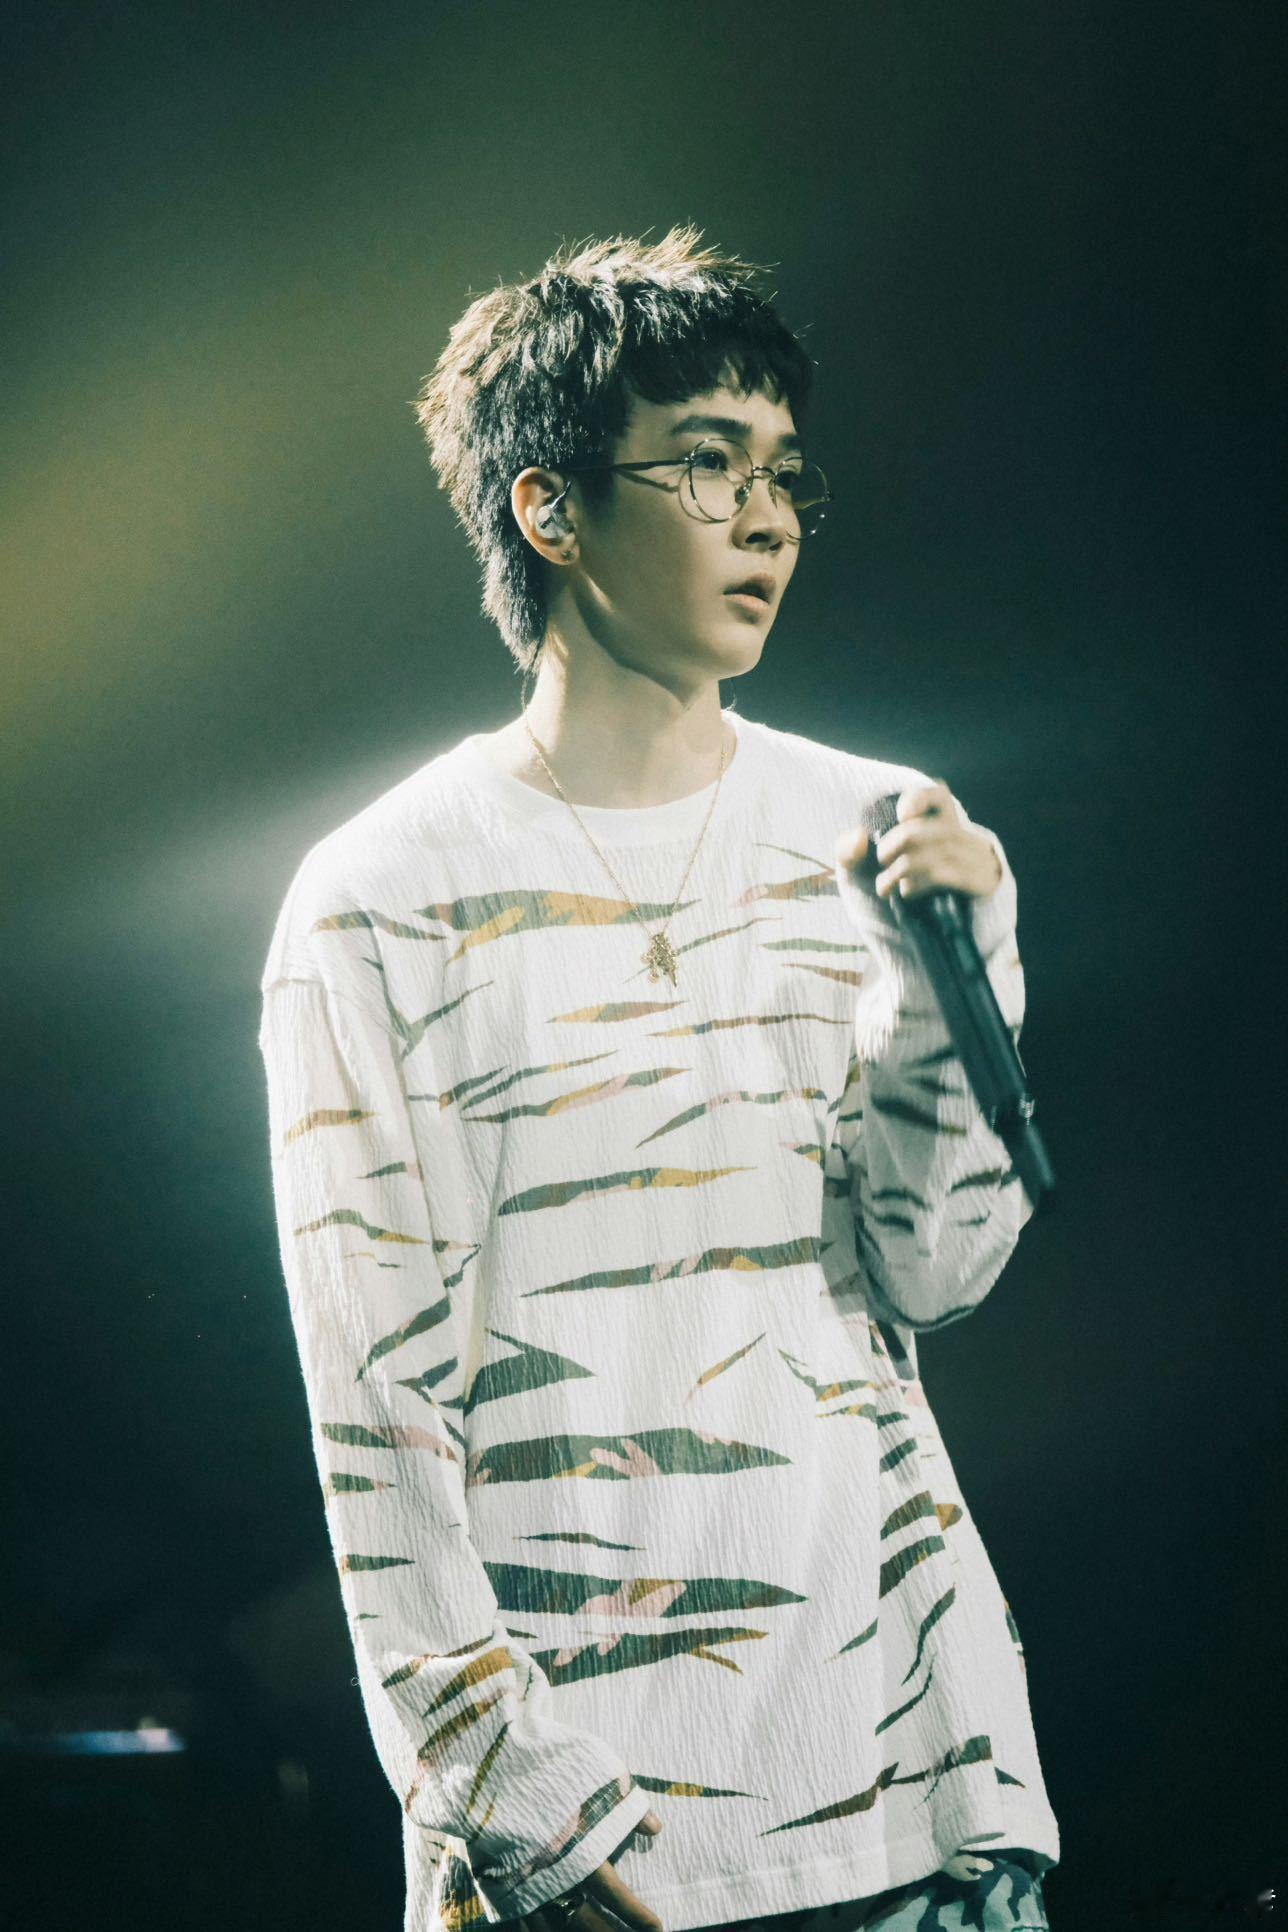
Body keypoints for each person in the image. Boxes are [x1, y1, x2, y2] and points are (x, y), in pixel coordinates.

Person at [256, 227, 1059, 1932]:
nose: (766, 519)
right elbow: (375, 1406)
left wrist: (953, 975)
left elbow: (939, 1271)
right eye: (706, 464)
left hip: (916, 1796)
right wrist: (515, 1798)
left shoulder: (878, 831)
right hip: (598, 1843)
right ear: (549, 510)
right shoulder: (379, 896)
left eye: (782, 473)